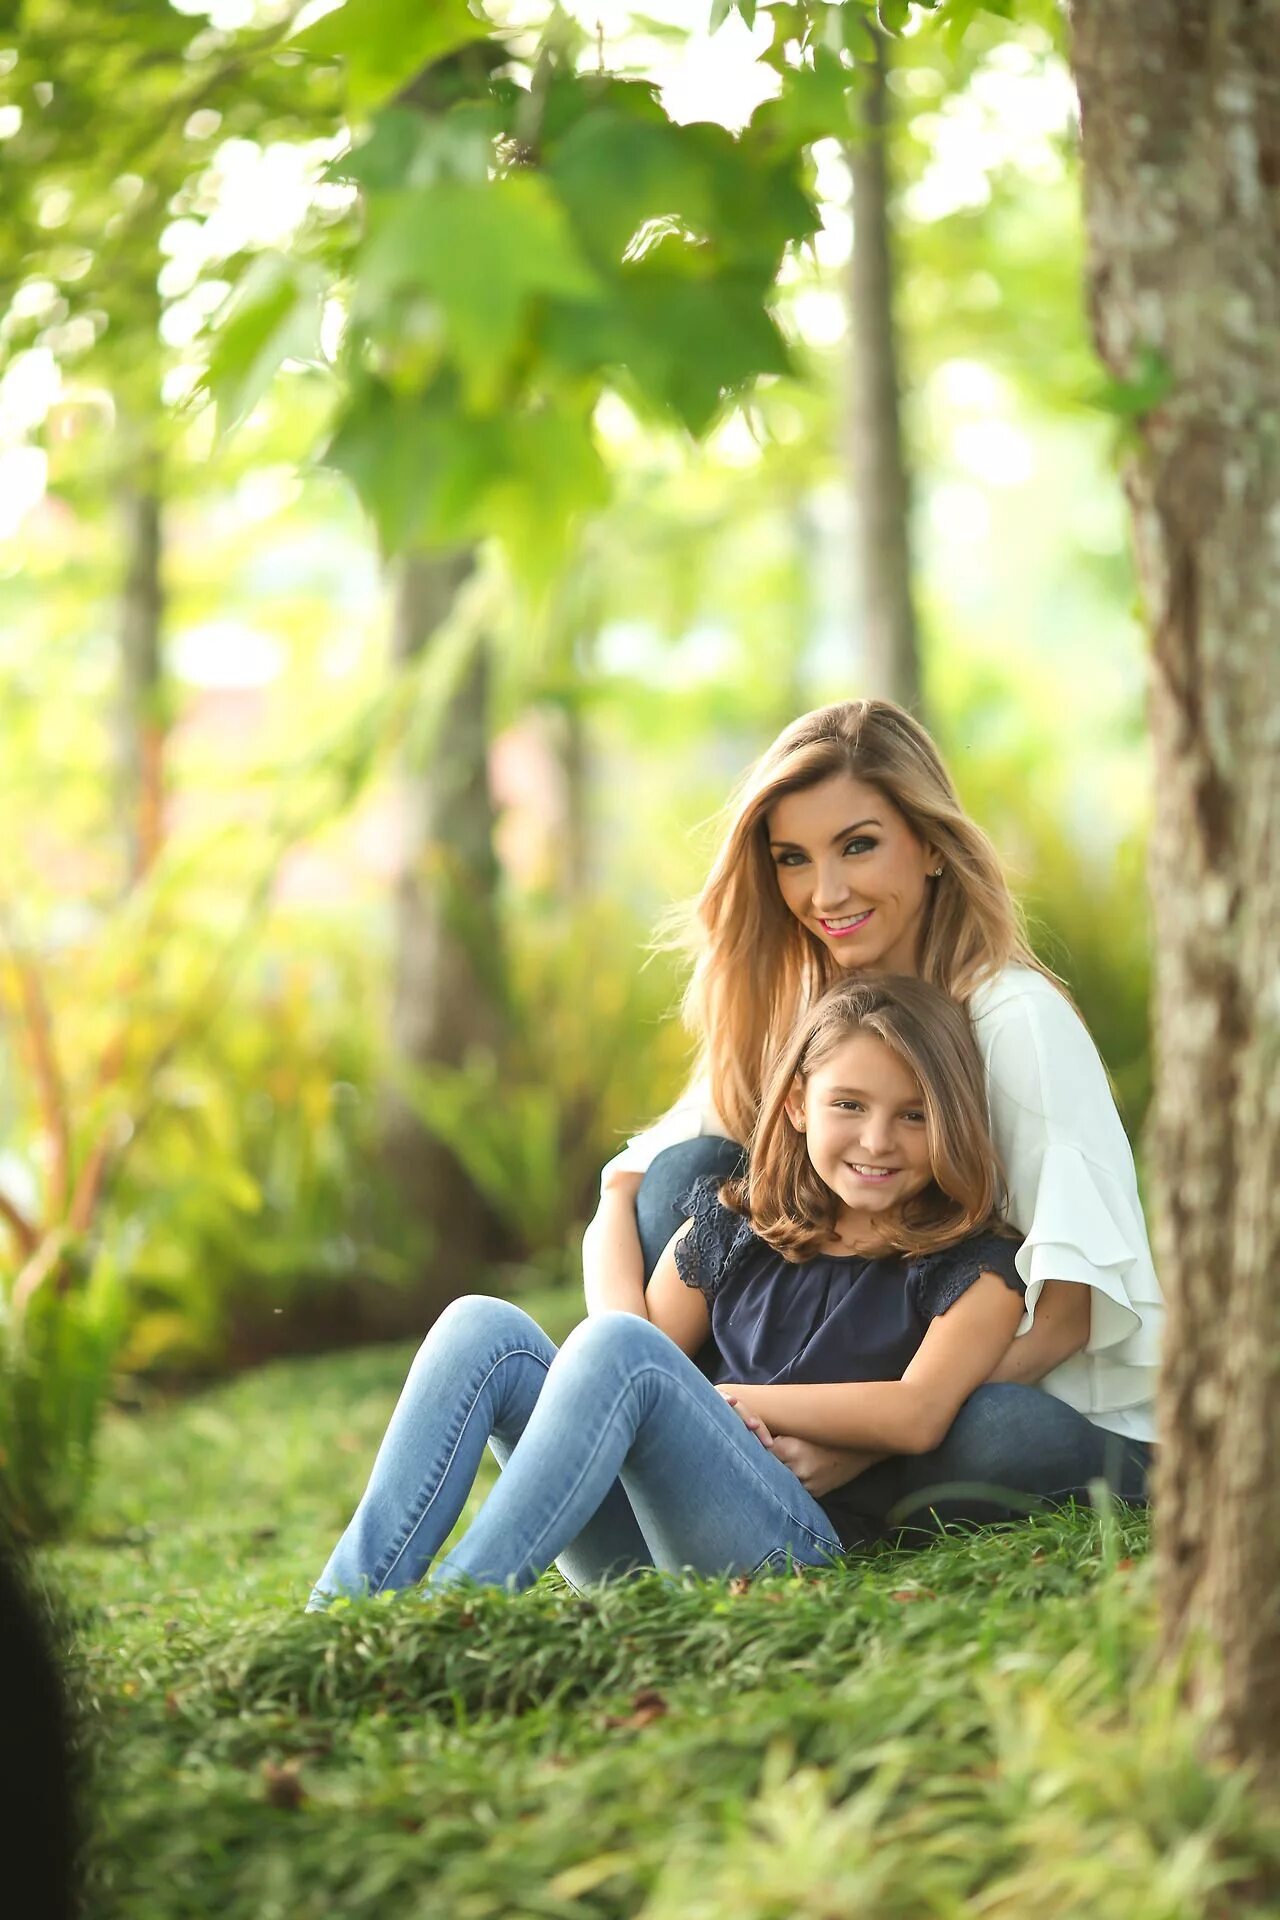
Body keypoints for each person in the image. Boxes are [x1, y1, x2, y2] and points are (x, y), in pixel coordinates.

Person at [583, 699, 1158, 1530]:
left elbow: (1069, 1314)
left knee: (998, 1437)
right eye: (793, 858)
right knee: (687, 1178)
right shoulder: (812, 1015)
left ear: (929, 846)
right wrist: (623, 1371)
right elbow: (626, 1189)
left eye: (858, 845)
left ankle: (822, 1483)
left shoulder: (1013, 1018)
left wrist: (872, 1438)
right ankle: (720, 1468)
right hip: (841, 1391)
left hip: (1006, 1391)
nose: (827, 891)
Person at [308, 975, 1033, 1607]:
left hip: (780, 1544)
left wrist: (728, 1406)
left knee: (626, 1347)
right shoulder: (740, 1219)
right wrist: (614, 1208)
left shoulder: (973, 1263)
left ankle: (459, 1605)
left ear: (953, 1121)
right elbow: (629, 1346)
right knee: (481, 1327)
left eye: (913, 1115)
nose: (878, 1141)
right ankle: (345, 1608)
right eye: (850, 1105)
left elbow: (918, 1415)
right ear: (797, 1107)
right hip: (635, 1540)